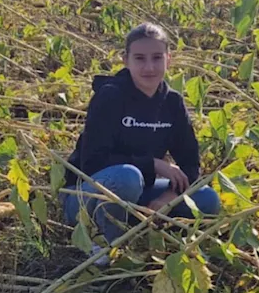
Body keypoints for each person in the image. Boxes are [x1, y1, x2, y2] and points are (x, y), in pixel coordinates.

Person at [62, 22, 221, 262]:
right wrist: (155, 164)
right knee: (128, 176)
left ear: (169, 58)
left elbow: (190, 164)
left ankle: (145, 231)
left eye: (157, 58)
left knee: (207, 199)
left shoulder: (172, 103)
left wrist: (165, 200)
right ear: (125, 60)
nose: (149, 67)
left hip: (139, 193)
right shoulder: (110, 97)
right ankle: (107, 244)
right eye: (140, 58)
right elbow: (92, 164)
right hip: (88, 197)